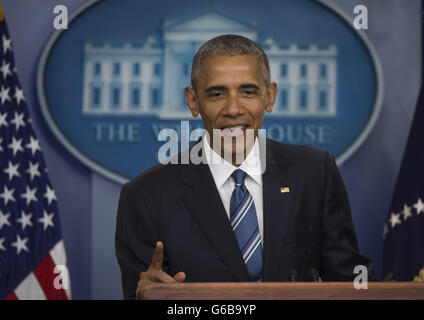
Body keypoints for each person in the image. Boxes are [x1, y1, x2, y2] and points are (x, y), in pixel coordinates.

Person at [115, 34, 375, 300]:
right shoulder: (145, 196)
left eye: (248, 92)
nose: (234, 108)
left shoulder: (315, 173)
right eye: (217, 94)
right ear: (193, 101)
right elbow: (143, 291)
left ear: (270, 96)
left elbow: (351, 283)